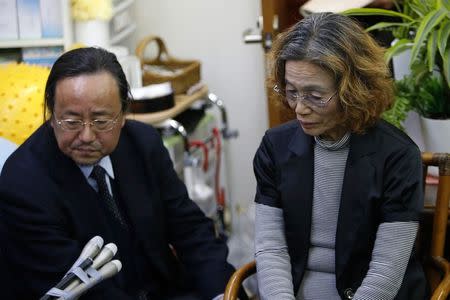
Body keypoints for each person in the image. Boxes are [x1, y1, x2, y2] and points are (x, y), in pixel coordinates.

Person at [0, 47, 246, 300]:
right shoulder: (23, 183)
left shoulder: (143, 143)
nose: (86, 136)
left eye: (101, 120)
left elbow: (191, 230)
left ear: (123, 115)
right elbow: (80, 289)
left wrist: (222, 293)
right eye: (71, 121)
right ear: (52, 116)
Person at [253, 13, 427, 300]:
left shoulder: (397, 156)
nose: (299, 108)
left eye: (315, 95)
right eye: (291, 92)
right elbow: (271, 248)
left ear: (352, 89)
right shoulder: (275, 147)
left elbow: (385, 272)